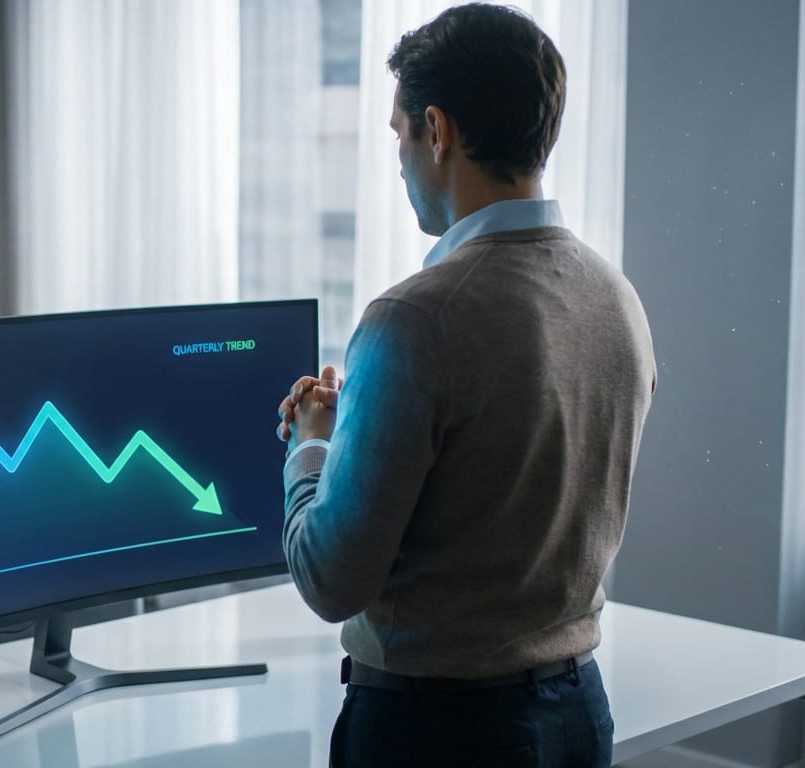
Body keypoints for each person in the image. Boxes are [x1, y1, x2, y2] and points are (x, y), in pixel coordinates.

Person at [275, 4, 657, 766]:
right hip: (577, 716)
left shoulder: (416, 320)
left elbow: (329, 578)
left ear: (438, 130)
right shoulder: (616, 298)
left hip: (438, 734)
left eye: (398, 134)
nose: (401, 157)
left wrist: (314, 449)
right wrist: (373, 430)